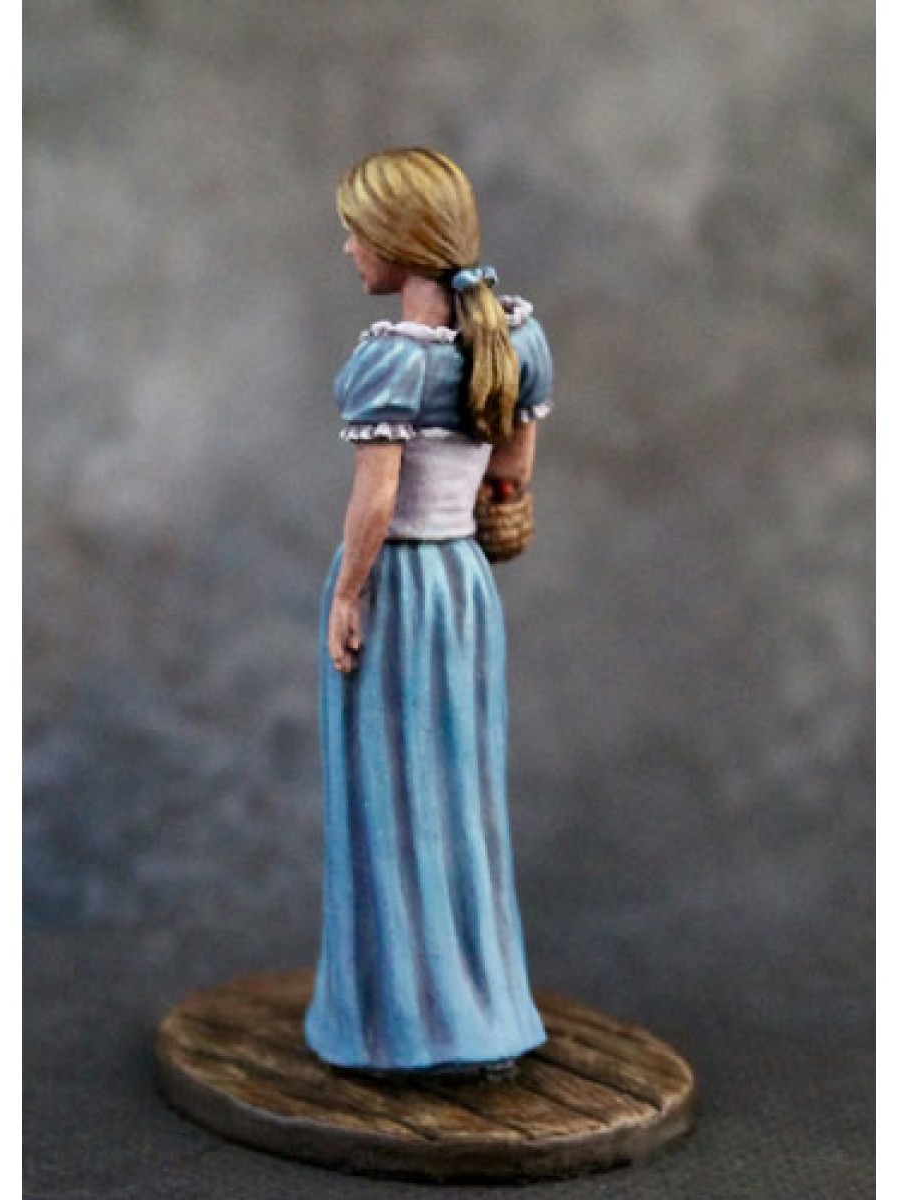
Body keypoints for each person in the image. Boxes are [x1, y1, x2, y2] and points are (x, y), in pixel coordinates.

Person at [304, 148, 553, 1073]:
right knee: (458, 796)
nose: (347, 249)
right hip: (463, 591)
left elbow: (375, 502)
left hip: (400, 591)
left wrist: (347, 593)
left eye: (357, 233)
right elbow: (513, 468)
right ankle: (478, 1006)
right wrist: (488, 503)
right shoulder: (517, 340)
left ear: (398, 244)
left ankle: (398, 1020)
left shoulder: (391, 363)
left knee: (390, 797)